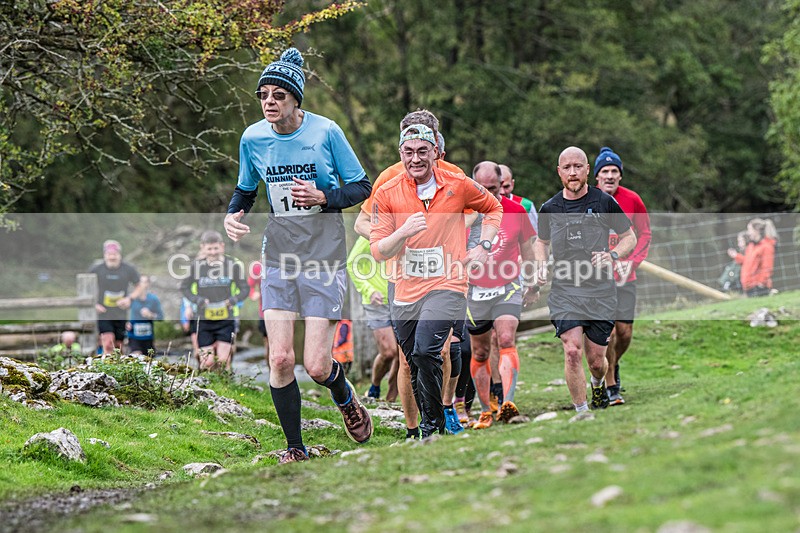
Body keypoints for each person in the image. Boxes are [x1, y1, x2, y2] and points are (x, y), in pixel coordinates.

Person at [223, 47, 373, 463]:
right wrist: (233, 215)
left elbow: (362, 188)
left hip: (324, 253)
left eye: (278, 95)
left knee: (318, 366)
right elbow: (246, 189)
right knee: (281, 356)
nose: (269, 102)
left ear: (295, 99)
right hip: (279, 255)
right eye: (263, 95)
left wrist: (324, 196)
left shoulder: (326, 133)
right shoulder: (253, 138)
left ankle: (345, 397)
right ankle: (295, 448)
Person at [370, 123, 503, 437]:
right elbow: (377, 250)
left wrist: (484, 247)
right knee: (415, 361)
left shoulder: (457, 184)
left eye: (422, 151)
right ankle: (431, 423)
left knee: (427, 349)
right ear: (400, 154)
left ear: (435, 153)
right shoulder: (387, 193)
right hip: (404, 287)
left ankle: (431, 426)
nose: (416, 158)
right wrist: (402, 232)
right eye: (408, 152)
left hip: (448, 282)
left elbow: (493, 208)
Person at [355, 109, 464, 440]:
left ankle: (443, 413)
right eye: (409, 139)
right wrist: (395, 236)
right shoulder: (389, 178)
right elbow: (362, 222)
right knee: (406, 359)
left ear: (435, 143)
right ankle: (412, 428)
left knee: (442, 350)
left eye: (425, 138)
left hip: (444, 276)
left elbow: (474, 215)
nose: (417, 147)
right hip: (401, 277)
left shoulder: (454, 176)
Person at [534, 146, 637, 412]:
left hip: (601, 291)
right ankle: (581, 413)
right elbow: (541, 242)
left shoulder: (603, 202)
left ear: (587, 170)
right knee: (571, 350)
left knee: (596, 361)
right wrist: (540, 266)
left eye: (577, 167)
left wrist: (612, 255)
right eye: (566, 168)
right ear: (559, 172)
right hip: (565, 290)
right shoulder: (550, 208)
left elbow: (630, 238)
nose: (572, 172)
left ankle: (598, 383)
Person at [467, 161, 538, 429]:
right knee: (481, 351)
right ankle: (486, 410)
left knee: (506, 338)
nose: (487, 194)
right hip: (475, 291)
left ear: (502, 186)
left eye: (493, 189)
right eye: (481, 188)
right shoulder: (465, 213)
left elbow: (528, 250)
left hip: (508, 286)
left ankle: (508, 403)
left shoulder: (516, 211)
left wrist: (533, 282)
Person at [594, 146, 652, 406]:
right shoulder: (589, 200)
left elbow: (644, 233)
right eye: (604, 171)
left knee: (625, 332)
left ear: (620, 175)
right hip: (597, 278)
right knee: (609, 332)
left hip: (625, 276)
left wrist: (633, 261)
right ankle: (610, 383)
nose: (609, 175)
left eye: (614, 171)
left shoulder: (632, 200)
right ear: (596, 176)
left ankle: (612, 365)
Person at [181, 231, 247, 372]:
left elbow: (245, 288)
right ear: (203, 248)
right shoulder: (196, 266)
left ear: (222, 246)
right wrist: (197, 300)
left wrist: (233, 300)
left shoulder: (233, 265)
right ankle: (207, 388)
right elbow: (184, 287)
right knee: (208, 362)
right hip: (204, 319)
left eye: (215, 248)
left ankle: (226, 387)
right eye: (209, 249)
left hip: (226, 318)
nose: (213, 252)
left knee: (223, 361)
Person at [346, 236, 399, 402]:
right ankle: (375, 385)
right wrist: (368, 290)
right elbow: (352, 263)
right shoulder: (368, 235)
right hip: (377, 301)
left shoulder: (404, 229)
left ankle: (391, 397)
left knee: (402, 354)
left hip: (401, 299)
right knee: (389, 351)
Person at [89, 240, 143, 355]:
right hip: (103, 311)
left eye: (114, 254)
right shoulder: (97, 269)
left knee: (118, 346)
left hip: (120, 312)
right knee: (108, 343)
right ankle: (105, 368)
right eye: (109, 254)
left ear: (119, 255)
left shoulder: (128, 269)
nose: (112, 257)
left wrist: (129, 299)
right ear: (104, 255)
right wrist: (94, 304)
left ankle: (117, 370)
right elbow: (86, 288)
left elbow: (139, 285)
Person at [728, 218, 778, 297]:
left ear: (756, 230)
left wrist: (760, 283)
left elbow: (767, 268)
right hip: (748, 286)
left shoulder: (766, 247)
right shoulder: (751, 246)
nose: (748, 233)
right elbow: (747, 262)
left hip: (758, 287)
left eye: (749, 229)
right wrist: (736, 256)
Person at [127, 275, 164, 355]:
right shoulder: (131, 298)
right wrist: (126, 323)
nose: (141, 285)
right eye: (139, 282)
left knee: (148, 359)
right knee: (136, 356)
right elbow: (120, 312)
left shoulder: (153, 299)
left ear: (148, 284)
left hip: (148, 337)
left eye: (144, 282)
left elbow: (160, 317)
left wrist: (150, 315)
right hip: (133, 336)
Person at [500, 164, 538, 233]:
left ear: (512, 184)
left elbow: (535, 235)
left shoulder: (526, 205)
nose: (502, 192)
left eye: (506, 187)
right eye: (499, 187)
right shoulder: (482, 206)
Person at [247, 260, 269, 368]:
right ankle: (272, 374)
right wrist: (253, 294)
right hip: (264, 312)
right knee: (269, 345)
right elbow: (249, 286)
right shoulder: (257, 266)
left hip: (285, 312)